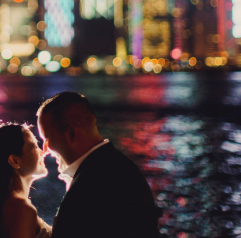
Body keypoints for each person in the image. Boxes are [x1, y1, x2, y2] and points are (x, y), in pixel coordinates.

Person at [37, 92, 160, 238]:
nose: (45, 149)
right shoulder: (119, 167)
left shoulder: (91, 185)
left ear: (71, 133)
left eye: (47, 138)